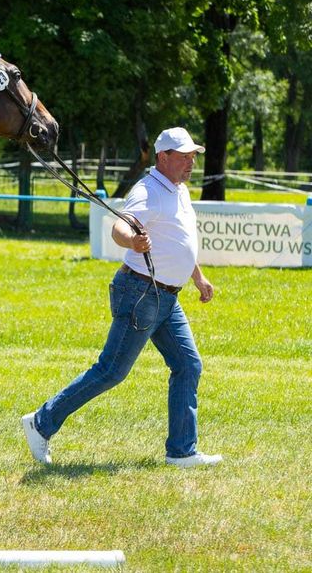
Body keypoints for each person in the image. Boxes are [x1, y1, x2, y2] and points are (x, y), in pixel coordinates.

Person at [22, 127, 222, 469]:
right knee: (111, 371)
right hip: (141, 293)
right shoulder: (147, 190)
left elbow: (180, 239)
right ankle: (41, 422)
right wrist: (132, 241)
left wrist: (198, 276)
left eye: (194, 156)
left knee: (188, 365)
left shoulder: (179, 189)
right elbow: (121, 227)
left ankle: (181, 451)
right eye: (185, 156)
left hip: (166, 298)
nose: (191, 162)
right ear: (164, 157)